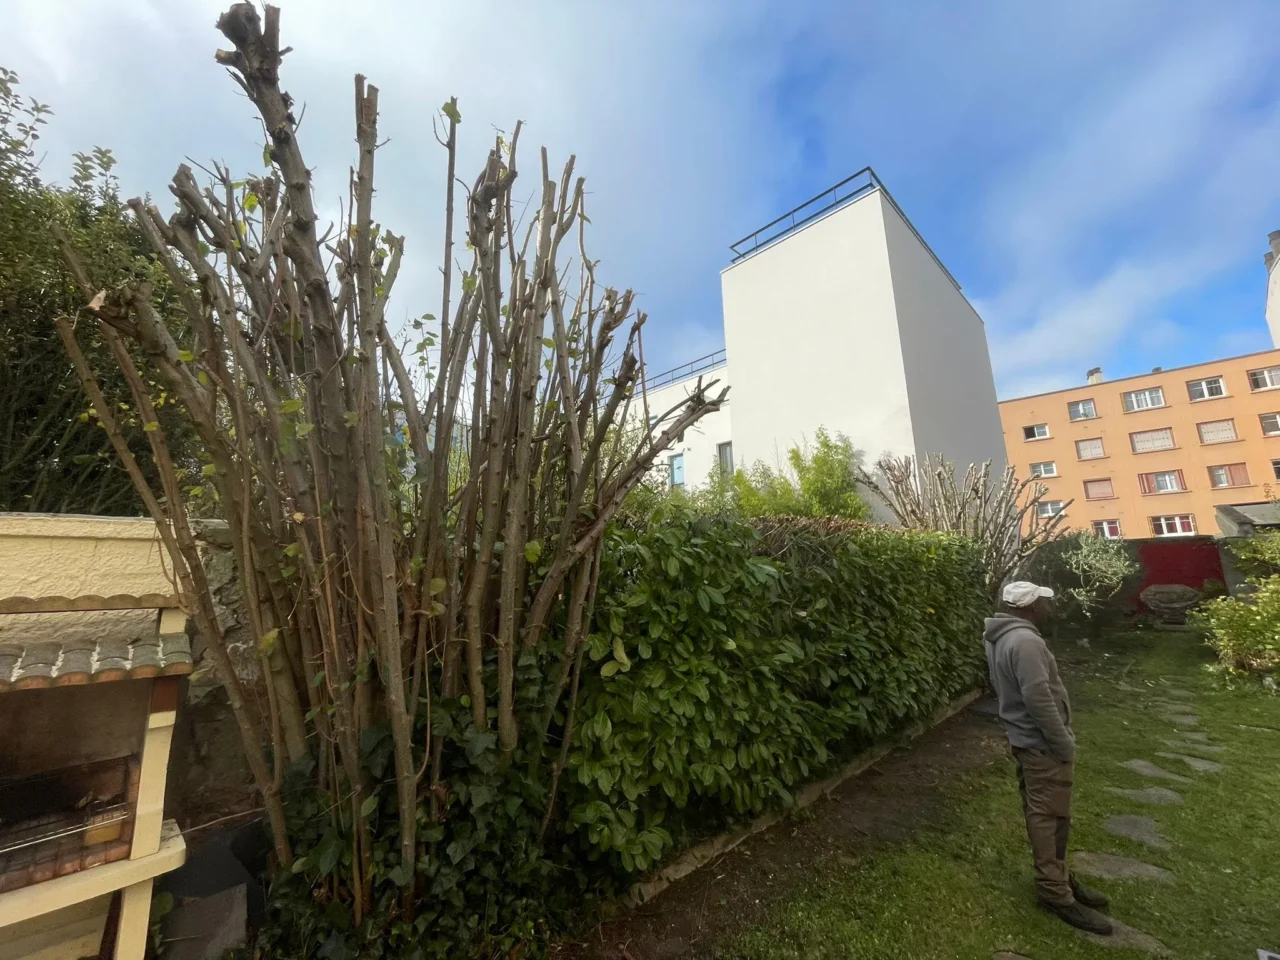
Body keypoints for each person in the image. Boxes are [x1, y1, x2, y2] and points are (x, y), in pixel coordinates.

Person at [983, 581, 1113, 936]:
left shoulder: (1001, 636)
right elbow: (1038, 699)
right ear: (1029, 607)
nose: (1048, 608)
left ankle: (1059, 876)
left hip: (1027, 740)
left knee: (1047, 813)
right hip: (1042, 745)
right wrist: (1063, 743)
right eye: (1044, 602)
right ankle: (1054, 892)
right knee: (1049, 816)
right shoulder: (1025, 641)